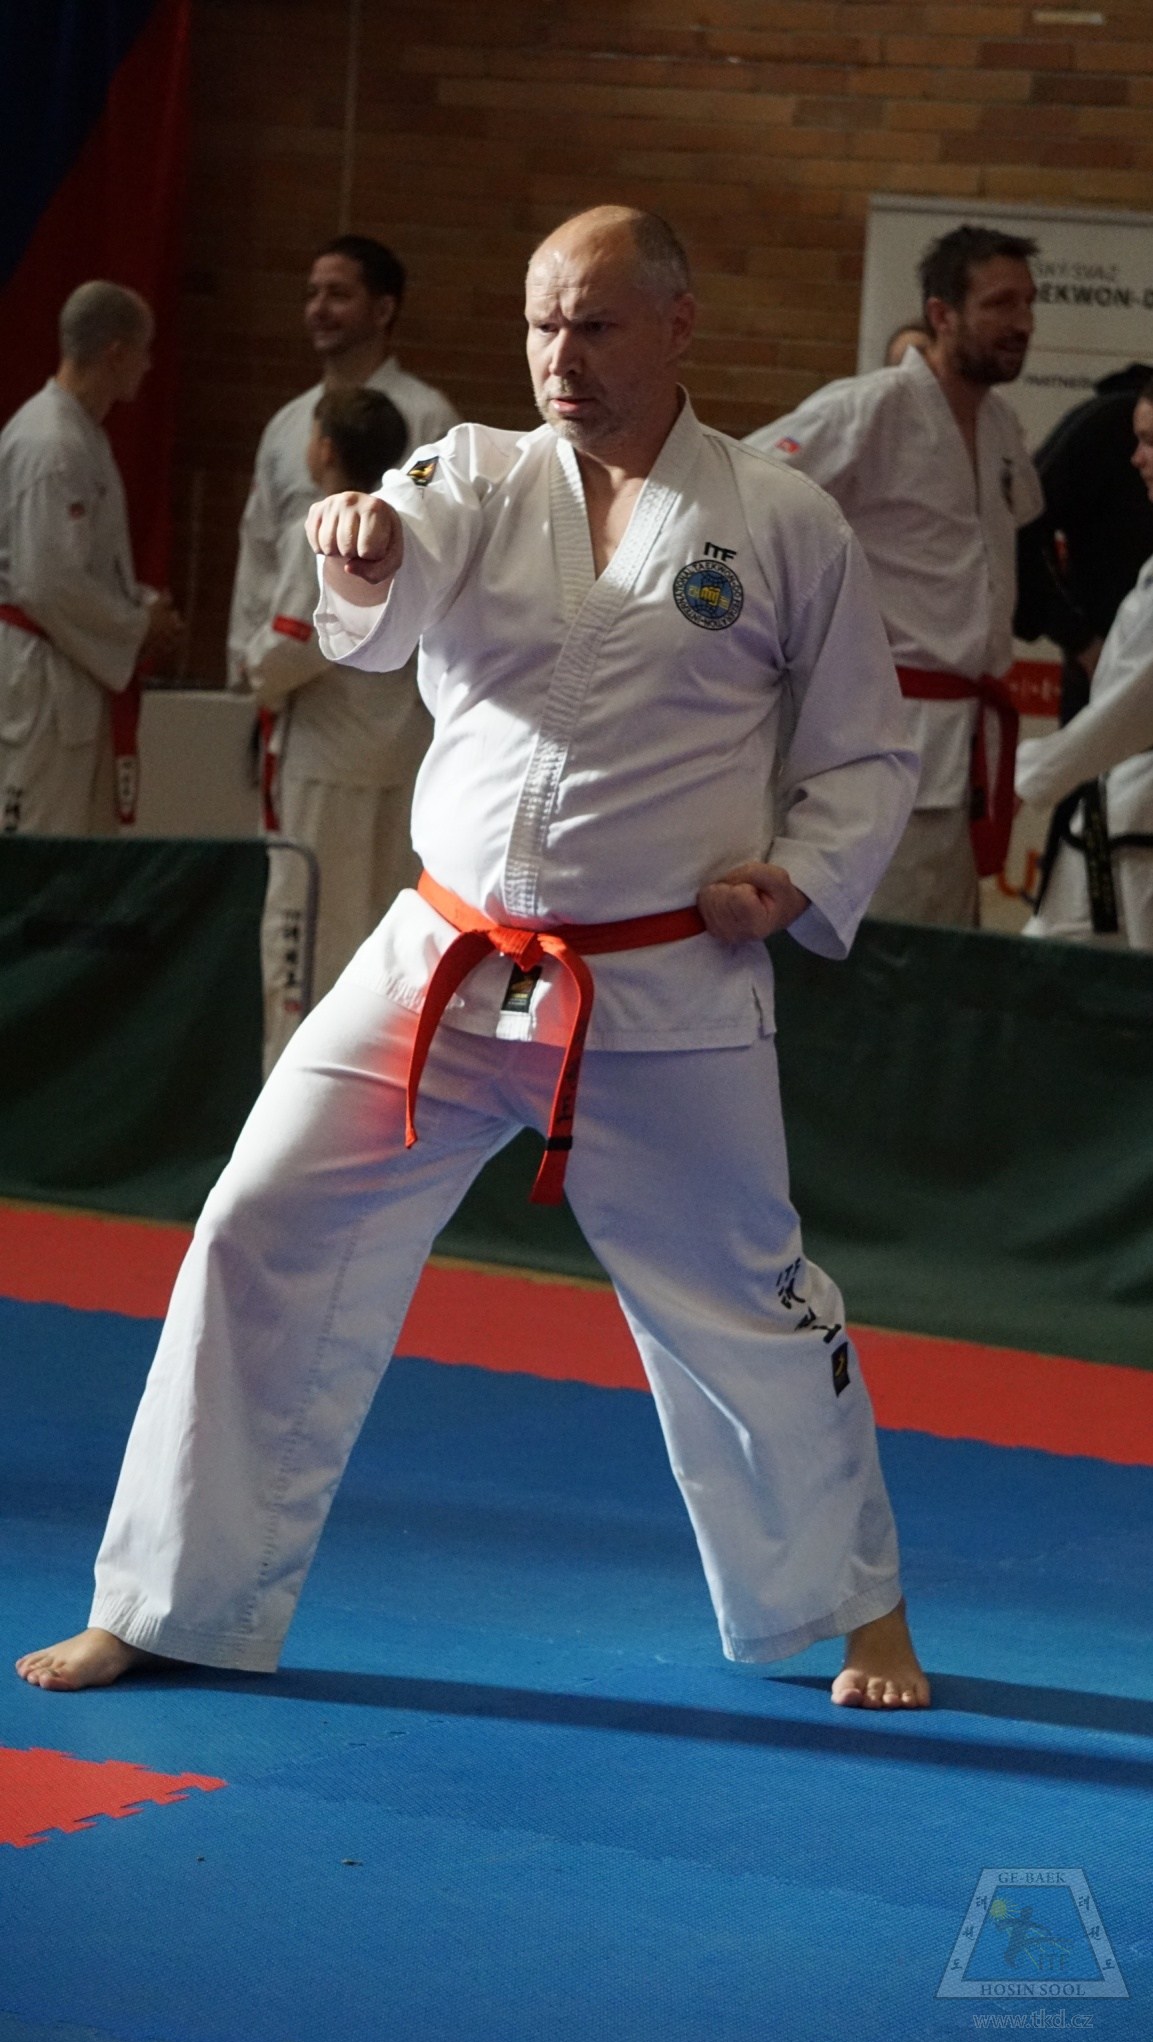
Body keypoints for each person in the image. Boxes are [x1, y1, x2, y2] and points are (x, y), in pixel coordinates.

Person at [17, 206, 929, 1709]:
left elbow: (863, 753)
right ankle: (167, 1595)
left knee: (746, 1300)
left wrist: (800, 878)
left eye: (596, 325)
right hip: (438, 964)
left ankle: (858, 1605)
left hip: (661, 985)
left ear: (679, 325)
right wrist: (361, 551)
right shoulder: (471, 475)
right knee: (254, 1223)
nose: (560, 357)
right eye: (540, 325)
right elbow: (379, 609)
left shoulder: (778, 522)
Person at [747, 224, 1091, 927]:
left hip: (964, 737)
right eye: (999, 304)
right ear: (942, 314)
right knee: (878, 943)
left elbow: (1020, 556)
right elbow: (743, 499)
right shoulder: (869, 408)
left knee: (945, 941)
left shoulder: (1000, 426)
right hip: (880, 727)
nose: (1022, 323)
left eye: (1028, 303)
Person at [249, 385, 431, 1066]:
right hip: (398, 757)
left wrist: (251, 670)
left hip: (328, 765)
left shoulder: (329, 528)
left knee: (303, 943)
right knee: (381, 945)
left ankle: (289, 1091)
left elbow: (292, 645)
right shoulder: (412, 528)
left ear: (323, 449)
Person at [227, 235, 458, 688]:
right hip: (279, 668)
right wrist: (245, 659)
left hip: (379, 683)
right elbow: (259, 547)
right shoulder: (289, 424)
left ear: (383, 310)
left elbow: (438, 552)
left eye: (338, 294)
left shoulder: (429, 419)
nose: (318, 309)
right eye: (312, 293)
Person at [0, 282, 181, 834]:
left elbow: (84, 565)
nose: (148, 365)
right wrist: (138, 625)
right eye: (144, 351)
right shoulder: (50, 442)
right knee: (37, 842)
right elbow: (45, 582)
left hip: (68, 667)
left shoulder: (81, 434)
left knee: (78, 841)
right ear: (116, 353)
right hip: (39, 677)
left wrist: (141, 605)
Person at [1016, 382, 1153, 949]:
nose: (1136, 457)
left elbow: (1134, 708)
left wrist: (1037, 774)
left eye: (1150, 441)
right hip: (1111, 810)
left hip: (1138, 814)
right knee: (1052, 958)